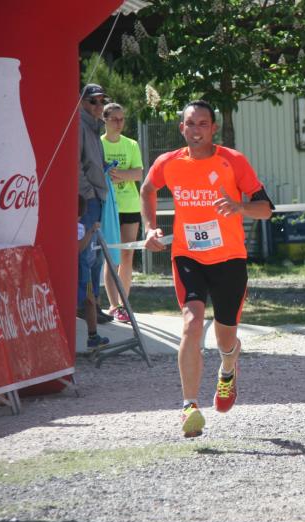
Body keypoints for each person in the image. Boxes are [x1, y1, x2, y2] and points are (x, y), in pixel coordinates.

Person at [141, 100, 274, 438]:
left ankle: (228, 368)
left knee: (224, 336)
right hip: (189, 257)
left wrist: (239, 206)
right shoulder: (168, 163)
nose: (196, 130)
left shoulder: (233, 161)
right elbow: (147, 189)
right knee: (191, 322)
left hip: (229, 259)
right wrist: (150, 227)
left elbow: (266, 210)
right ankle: (189, 406)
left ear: (213, 128)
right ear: (181, 128)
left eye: (203, 123)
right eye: (191, 124)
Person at [101, 102, 144, 323]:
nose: (119, 123)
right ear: (105, 120)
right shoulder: (98, 144)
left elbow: (138, 173)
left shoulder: (132, 144)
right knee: (112, 257)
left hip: (130, 205)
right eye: (114, 119)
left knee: (127, 255)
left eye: (122, 119)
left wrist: (121, 175)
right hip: (108, 207)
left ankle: (124, 304)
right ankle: (113, 304)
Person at [77, 83, 113, 324]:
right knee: (86, 255)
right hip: (88, 201)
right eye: (93, 101)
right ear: (81, 102)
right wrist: (88, 193)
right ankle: (82, 304)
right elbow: (75, 166)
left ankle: (94, 304)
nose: (99, 106)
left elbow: (89, 164)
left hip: (97, 198)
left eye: (102, 101)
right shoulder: (79, 126)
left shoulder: (93, 127)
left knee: (96, 257)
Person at [77, 195, 109, 350]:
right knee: (84, 302)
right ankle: (91, 336)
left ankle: (93, 336)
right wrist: (90, 233)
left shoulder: (79, 226)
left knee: (90, 301)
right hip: (77, 272)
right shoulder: (81, 228)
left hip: (84, 273)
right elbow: (78, 248)